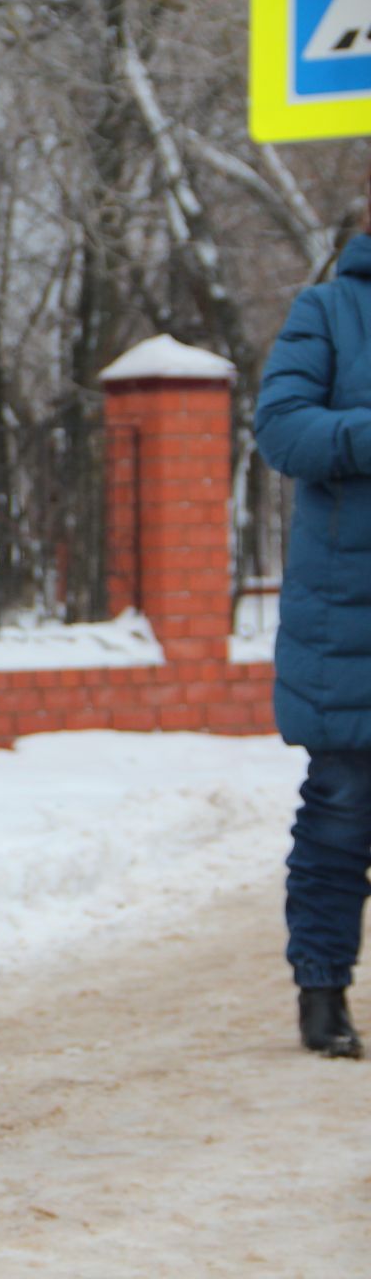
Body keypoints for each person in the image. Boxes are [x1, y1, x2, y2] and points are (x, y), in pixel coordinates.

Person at [252, 202, 371, 1061]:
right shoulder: (328, 310)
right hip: (350, 613)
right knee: (340, 811)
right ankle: (322, 989)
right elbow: (284, 430)